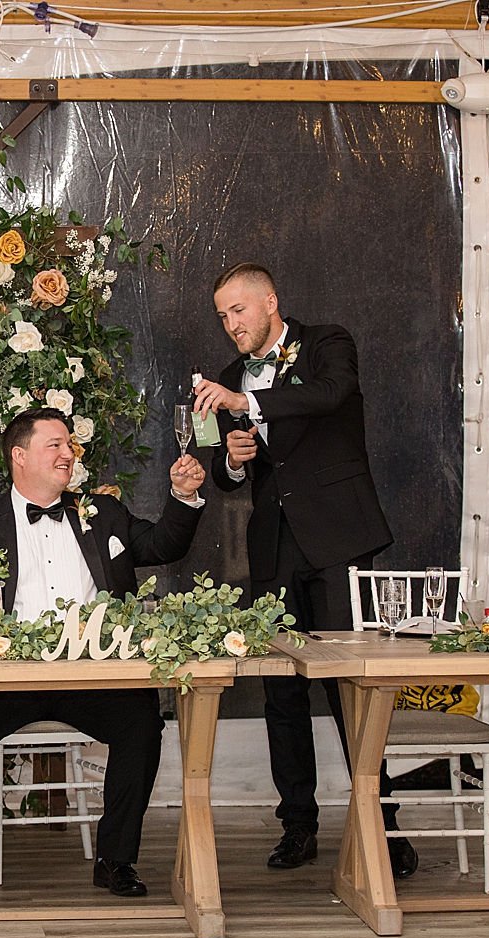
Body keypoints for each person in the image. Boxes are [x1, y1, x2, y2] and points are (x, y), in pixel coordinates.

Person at [193, 263, 416, 879]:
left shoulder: (327, 343)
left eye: (238, 310)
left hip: (340, 536)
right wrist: (234, 462)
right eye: (221, 317)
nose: (231, 325)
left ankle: (384, 824)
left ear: (269, 302)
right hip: (276, 544)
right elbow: (223, 466)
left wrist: (247, 402)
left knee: (353, 682)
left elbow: (328, 396)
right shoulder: (232, 377)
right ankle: (298, 826)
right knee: (281, 687)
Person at [0, 407, 206, 901]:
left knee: (142, 726)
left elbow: (163, 544)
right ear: (19, 456)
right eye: (55, 445)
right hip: (8, 678)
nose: (68, 454)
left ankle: (116, 859)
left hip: (93, 676)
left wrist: (184, 497)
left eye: (70, 445)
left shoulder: (102, 514)